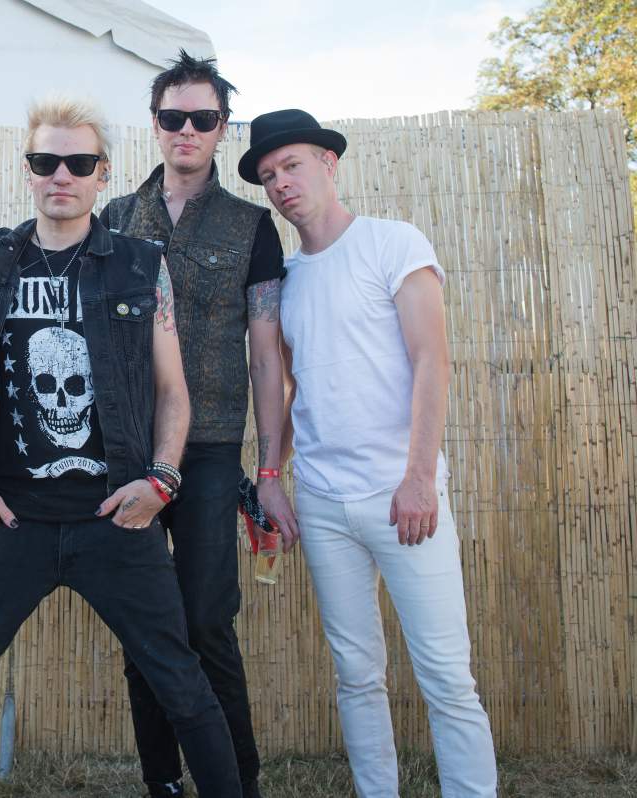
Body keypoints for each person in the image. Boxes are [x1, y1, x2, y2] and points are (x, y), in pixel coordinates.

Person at [0, 94, 241, 798]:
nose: (62, 176)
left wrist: (162, 481)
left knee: (183, 684)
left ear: (103, 175)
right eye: (46, 161)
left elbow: (173, 392)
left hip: (117, 517)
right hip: (9, 519)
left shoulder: (141, 265)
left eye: (79, 162)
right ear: (28, 170)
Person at [243, 108, 497, 797]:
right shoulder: (287, 279)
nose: (281, 184)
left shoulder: (394, 243)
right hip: (324, 503)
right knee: (356, 674)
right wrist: (271, 477)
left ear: (329, 161)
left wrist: (419, 477)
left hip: (401, 495)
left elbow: (432, 363)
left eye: (292, 165)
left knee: (446, 674)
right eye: (268, 176)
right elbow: (291, 386)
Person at [99, 50, 295, 798]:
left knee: (208, 620)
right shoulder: (115, 218)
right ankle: (163, 783)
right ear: (154, 125)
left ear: (221, 129)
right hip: (130, 449)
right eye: (172, 116)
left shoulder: (252, 227)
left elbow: (268, 358)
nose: (186, 129)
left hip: (211, 451)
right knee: (142, 626)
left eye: (202, 118)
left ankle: (237, 782)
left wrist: (270, 470)